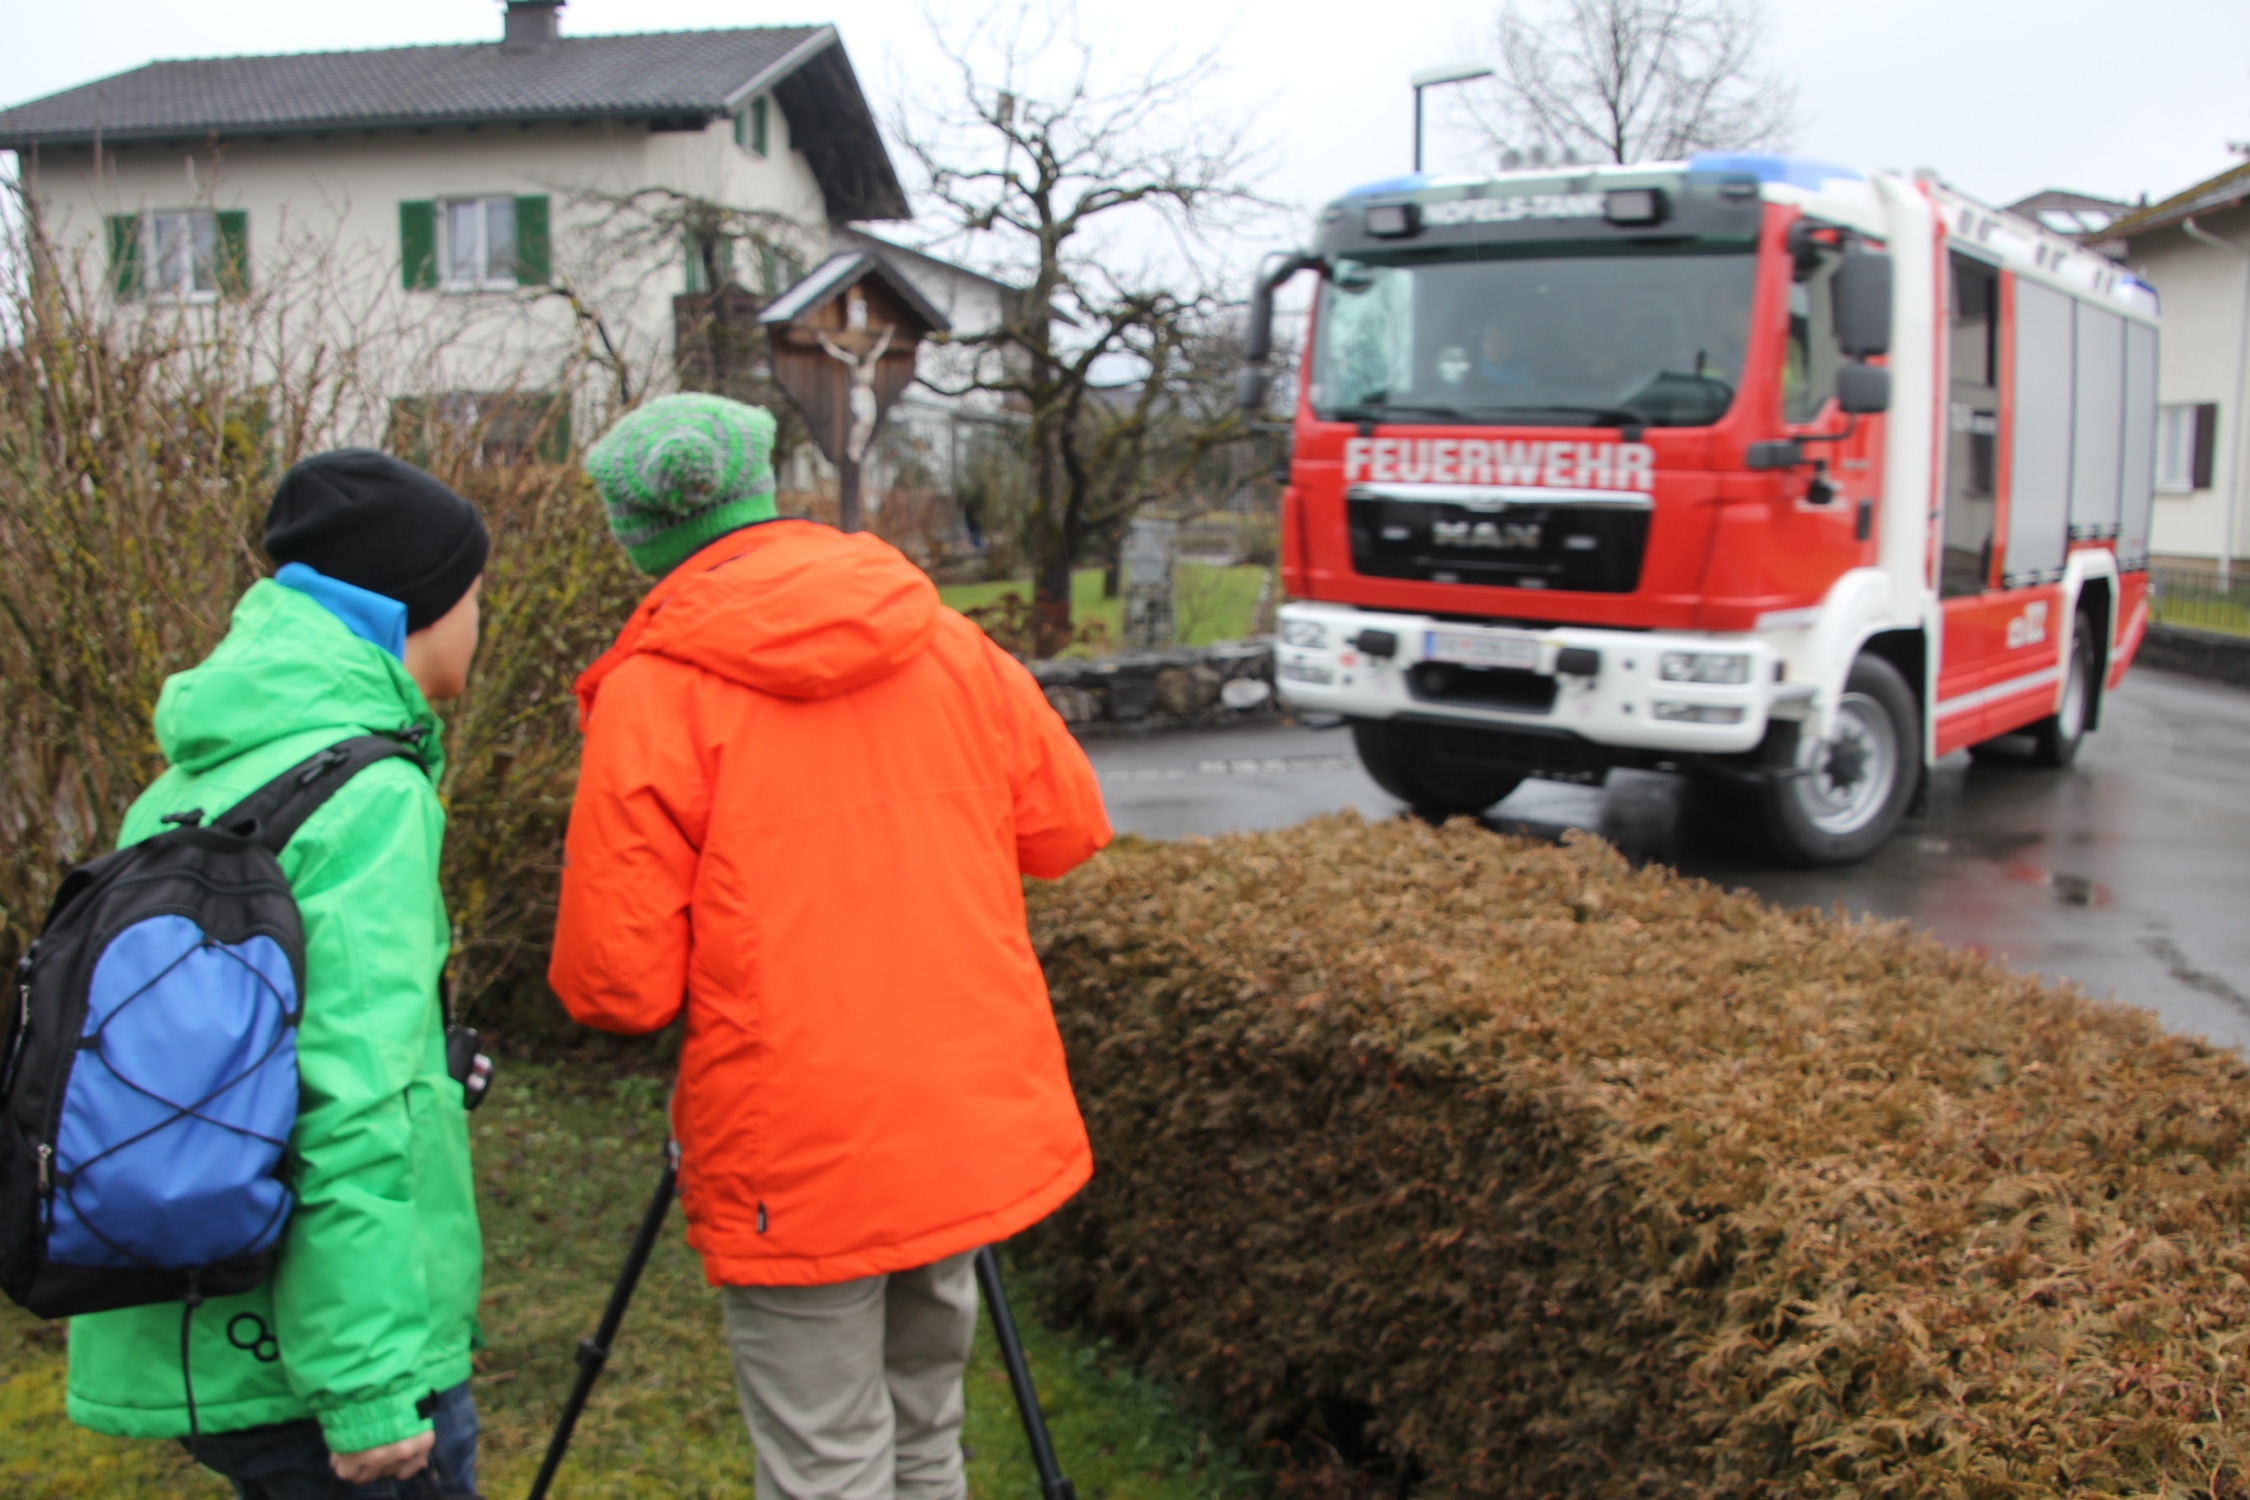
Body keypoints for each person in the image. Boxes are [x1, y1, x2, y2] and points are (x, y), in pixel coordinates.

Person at [550, 393, 1112, 1500]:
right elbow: (1066, 827)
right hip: (954, 1109)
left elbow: (618, 984)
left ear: (636, 537)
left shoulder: (654, 691)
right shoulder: (945, 640)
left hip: (795, 1137)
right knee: (926, 1433)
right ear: (766, 489)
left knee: (826, 1459)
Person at [65, 449, 490, 1498]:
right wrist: (370, 1388)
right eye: (476, 592)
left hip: (201, 1319)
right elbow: (352, 1100)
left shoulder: (197, 771)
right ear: (416, 608)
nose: (481, 618)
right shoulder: (369, 792)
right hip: (324, 1365)